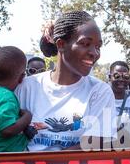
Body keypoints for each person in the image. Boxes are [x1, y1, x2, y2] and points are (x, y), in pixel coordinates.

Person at [15, 11, 116, 151]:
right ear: (61, 44)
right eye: (85, 44)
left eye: (98, 46)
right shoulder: (27, 87)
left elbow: (96, 144)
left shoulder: (99, 91)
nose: (94, 53)